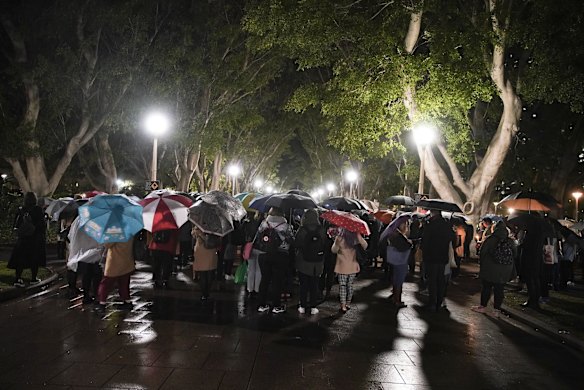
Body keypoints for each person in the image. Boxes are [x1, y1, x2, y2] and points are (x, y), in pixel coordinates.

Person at [471, 221, 515, 316]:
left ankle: (483, 306)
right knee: (499, 289)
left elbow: (483, 253)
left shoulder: (490, 239)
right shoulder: (510, 241)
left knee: (487, 287)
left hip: (490, 268)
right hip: (505, 270)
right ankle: (497, 310)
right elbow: (515, 255)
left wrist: (481, 265)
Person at [255, 207, 293, 314]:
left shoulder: (264, 223)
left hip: (264, 254)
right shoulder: (285, 225)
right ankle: (276, 305)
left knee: (265, 279)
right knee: (277, 281)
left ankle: (261, 304)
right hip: (280, 255)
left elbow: (258, 237)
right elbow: (291, 240)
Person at [9, 192, 47, 287]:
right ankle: (33, 278)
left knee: (20, 259)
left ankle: (18, 278)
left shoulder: (21, 210)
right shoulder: (38, 210)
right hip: (35, 239)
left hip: (23, 239)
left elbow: (16, 225)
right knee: (34, 259)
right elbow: (41, 225)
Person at [420, 209, 455, 312]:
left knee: (432, 281)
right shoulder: (447, 226)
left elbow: (425, 241)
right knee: (440, 280)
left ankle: (432, 303)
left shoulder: (430, 225)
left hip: (431, 257)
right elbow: (452, 238)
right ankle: (439, 302)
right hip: (442, 257)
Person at [294, 209, 326, 315]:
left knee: (303, 285)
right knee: (314, 285)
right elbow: (325, 244)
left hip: (303, 262)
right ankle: (313, 307)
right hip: (317, 263)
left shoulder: (302, 230)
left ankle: (302, 306)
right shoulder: (321, 229)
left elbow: (297, 244)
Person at [67, 216, 105, 304]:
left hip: (82, 252)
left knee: (86, 275)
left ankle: (86, 295)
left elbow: (71, 235)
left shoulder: (78, 220)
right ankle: (95, 295)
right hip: (94, 252)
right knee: (96, 274)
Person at [332, 228, 368, 313]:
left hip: (342, 266)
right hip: (353, 265)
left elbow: (334, 250)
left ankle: (343, 305)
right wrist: (359, 236)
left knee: (343, 286)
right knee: (350, 285)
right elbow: (365, 246)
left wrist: (336, 242)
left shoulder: (339, 237)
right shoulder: (356, 237)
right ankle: (348, 303)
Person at [96, 237, 135, 312]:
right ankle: (127, 302)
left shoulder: (116, 233)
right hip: (126, 260)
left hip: (115, 262)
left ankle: (102, 303)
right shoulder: (129, 232)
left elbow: (107, 245)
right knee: (124, 283)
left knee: (105, 283)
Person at [386, 219, 412, 308]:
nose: (406, 226)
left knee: (396, 278)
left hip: (395, 260)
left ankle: (394, 297)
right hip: (400, 261)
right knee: (399, 280)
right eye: (405, 224)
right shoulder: (398, 235)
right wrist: (410, 243)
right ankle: (397, 300)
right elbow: (405, 246)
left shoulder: (392, 234)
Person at [192, 227, 220, 301]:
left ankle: (204, 294)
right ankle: (207, 292)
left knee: (203, 274)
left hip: (200, 251)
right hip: (211, 252)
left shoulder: (198, 227)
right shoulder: (214, 227)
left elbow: (193, 235)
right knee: (210, 273)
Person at [244, 211, 263, 296]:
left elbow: (247, 234)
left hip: (251, 248)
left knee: (251, 269)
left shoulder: (251, 222)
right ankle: (257, 289)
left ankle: (250, 288)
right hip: (260, 249)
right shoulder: (264, 224)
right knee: (258, 270)